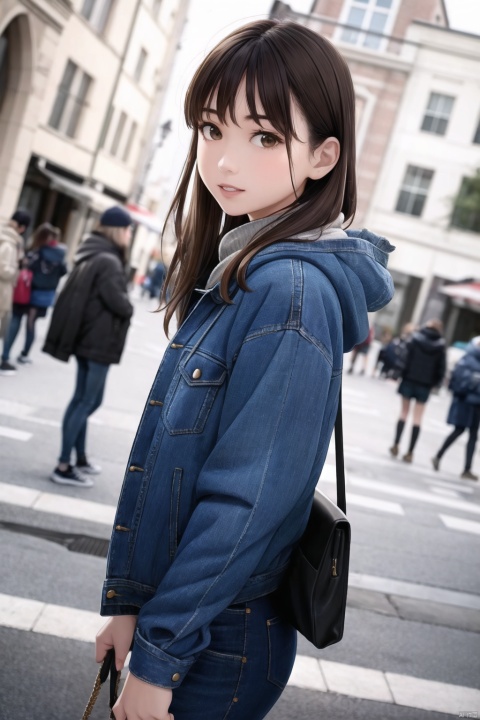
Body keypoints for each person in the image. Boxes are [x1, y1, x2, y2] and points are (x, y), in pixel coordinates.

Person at [95, 21, 394, 720]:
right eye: (211, 129)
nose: (225, 162)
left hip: (218, 643)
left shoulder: (287, 291)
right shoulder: (247, 268)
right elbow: (181, 477)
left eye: (263, 137)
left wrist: (160, 657)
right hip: (198, 625)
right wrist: (130, 608)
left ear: (324, 156)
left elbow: (245, 504)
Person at [43, 206, 134, 488]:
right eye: (128, 229)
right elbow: (120, 303)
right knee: (87, 401)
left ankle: (78, 457)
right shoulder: (109, 260)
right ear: (118, 230)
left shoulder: (94, 252)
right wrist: (129, 304)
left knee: (82, 399)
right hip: (98, 341)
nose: (130, 235)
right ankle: (63, 465)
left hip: (88, 339)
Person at [1, 223, 67, 372]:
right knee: (31, 325)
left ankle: (5, 355)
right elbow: (63, 271)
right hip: (43, 294)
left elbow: (26, 268)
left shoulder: (35, 252)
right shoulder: (59, 255)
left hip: (26, 291)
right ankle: (24, 354)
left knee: (15, 322)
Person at [390, 319, 446, 463]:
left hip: (409, 380)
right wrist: (436, 384)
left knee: (403, 413)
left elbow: (404, 358)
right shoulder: (440, 345)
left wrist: (397, 374)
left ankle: (396, 444)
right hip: (425, 385)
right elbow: (441, 368)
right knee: (417, 418)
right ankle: (410, 452)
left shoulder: (414, 339)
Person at [432, 337, 480, 480]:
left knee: (472, 435)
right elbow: (460, 381)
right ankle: (439, 456)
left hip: (476, 403)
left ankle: (466, 468)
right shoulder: (469, 359)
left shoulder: (470, 359)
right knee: (460, 431)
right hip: (466, 402)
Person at [0, 208, 31, 373]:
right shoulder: (9, 244)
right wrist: (16, 270)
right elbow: (4, 269)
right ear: (22, 227)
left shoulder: (6, 238)